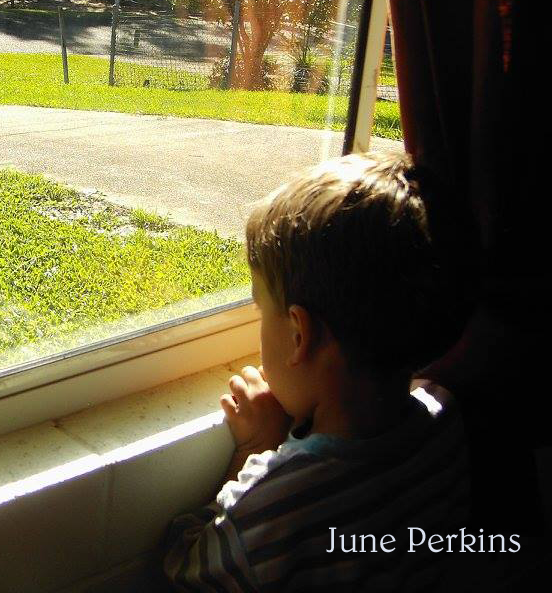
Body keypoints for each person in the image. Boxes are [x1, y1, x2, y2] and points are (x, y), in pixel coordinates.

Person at [164, 151, 477, 591]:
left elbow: (185, 567)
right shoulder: (445, 418)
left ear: (299, 335)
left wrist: (257, 448)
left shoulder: (277, 504)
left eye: (262, 311)